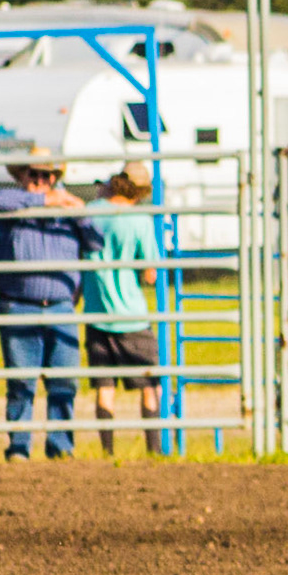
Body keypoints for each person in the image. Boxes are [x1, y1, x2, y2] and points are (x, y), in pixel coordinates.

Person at [0, 152, 99, 461]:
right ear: (22, 176)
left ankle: (60, 447)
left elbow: (95, 242)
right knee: (22, 381)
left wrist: (81, 213)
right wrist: (47, 201)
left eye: (46, 175)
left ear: (54, 178)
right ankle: (19, 448)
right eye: (33, 174)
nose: (40, 180)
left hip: (60, 306)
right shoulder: (13, 204)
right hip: (19, 305)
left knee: (64, 380)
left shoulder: (68, 211)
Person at [82, 162, 162, 456]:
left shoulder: (91, 212)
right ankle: (154, 450)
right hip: (132, 316)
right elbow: (150, 272)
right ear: (140, 191)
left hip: (96, 312)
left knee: (105, 388)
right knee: (150, 385)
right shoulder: (139, 219)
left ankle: (108, 452)